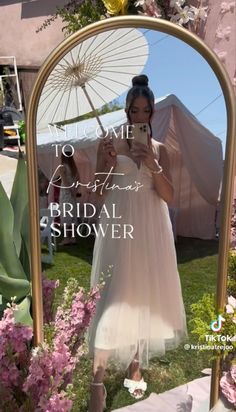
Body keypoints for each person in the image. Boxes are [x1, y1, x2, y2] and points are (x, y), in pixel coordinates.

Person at [88, 75, 187, 411]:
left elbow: (170, 198)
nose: (140, 116)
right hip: (120, 229)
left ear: (152, 112)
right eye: (134, 110)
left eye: (146, 111)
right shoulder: (111, 145)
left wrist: (154, 165)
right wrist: (106, 166)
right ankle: (97, 381)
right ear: (127, 112)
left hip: (150, 230)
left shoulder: (161, 150)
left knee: (143, 296)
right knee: (116, 296)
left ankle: (135, 364)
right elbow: (97, 195)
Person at [59, 150, 79, 245]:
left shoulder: (62, 167)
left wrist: (71, 191)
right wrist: (75, 190)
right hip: (72, 193)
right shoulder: (73, 167)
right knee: (72, 214)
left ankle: (67, 238)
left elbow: (65, 182)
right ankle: (73, 237)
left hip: (66, 193)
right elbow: (79, 178)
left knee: (66, 215)